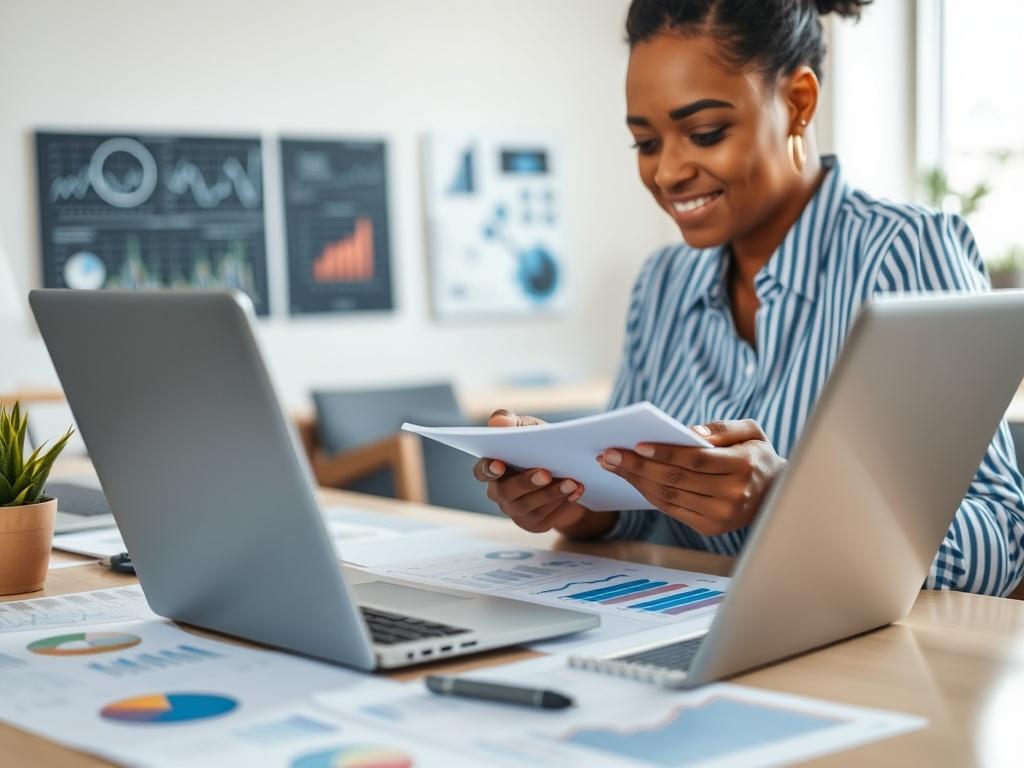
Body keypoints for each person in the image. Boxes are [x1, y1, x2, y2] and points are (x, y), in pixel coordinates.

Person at [472, 0, 1024, 596]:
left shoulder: (906, 252)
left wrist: (785, 497)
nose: (667, 173)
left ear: (799, 103)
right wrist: (571, 499)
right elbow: (631, 511)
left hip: (848, 660)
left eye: (705, 133)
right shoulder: (662, 281)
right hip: (678, 636)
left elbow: (1003, 538)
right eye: (646, 143)